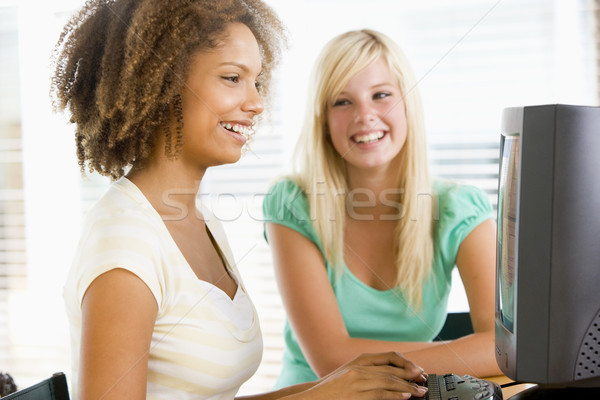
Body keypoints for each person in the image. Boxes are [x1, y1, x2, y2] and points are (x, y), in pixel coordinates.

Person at [51, 1, 429, 399]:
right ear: (161, 83)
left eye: (256, 81)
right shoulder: (125, 242)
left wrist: (335, 385)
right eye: (232, 78)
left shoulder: (197, 219)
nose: (256, 103)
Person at [262, 29, 502, 389]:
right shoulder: (293, 202)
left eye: (381, 95)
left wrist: (357, 359)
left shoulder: (459, 208)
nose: (365, 115)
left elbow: (503, 346)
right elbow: (329, 359)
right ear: (324, 122)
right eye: (342, 102)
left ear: (407, 104)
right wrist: (463, 353)